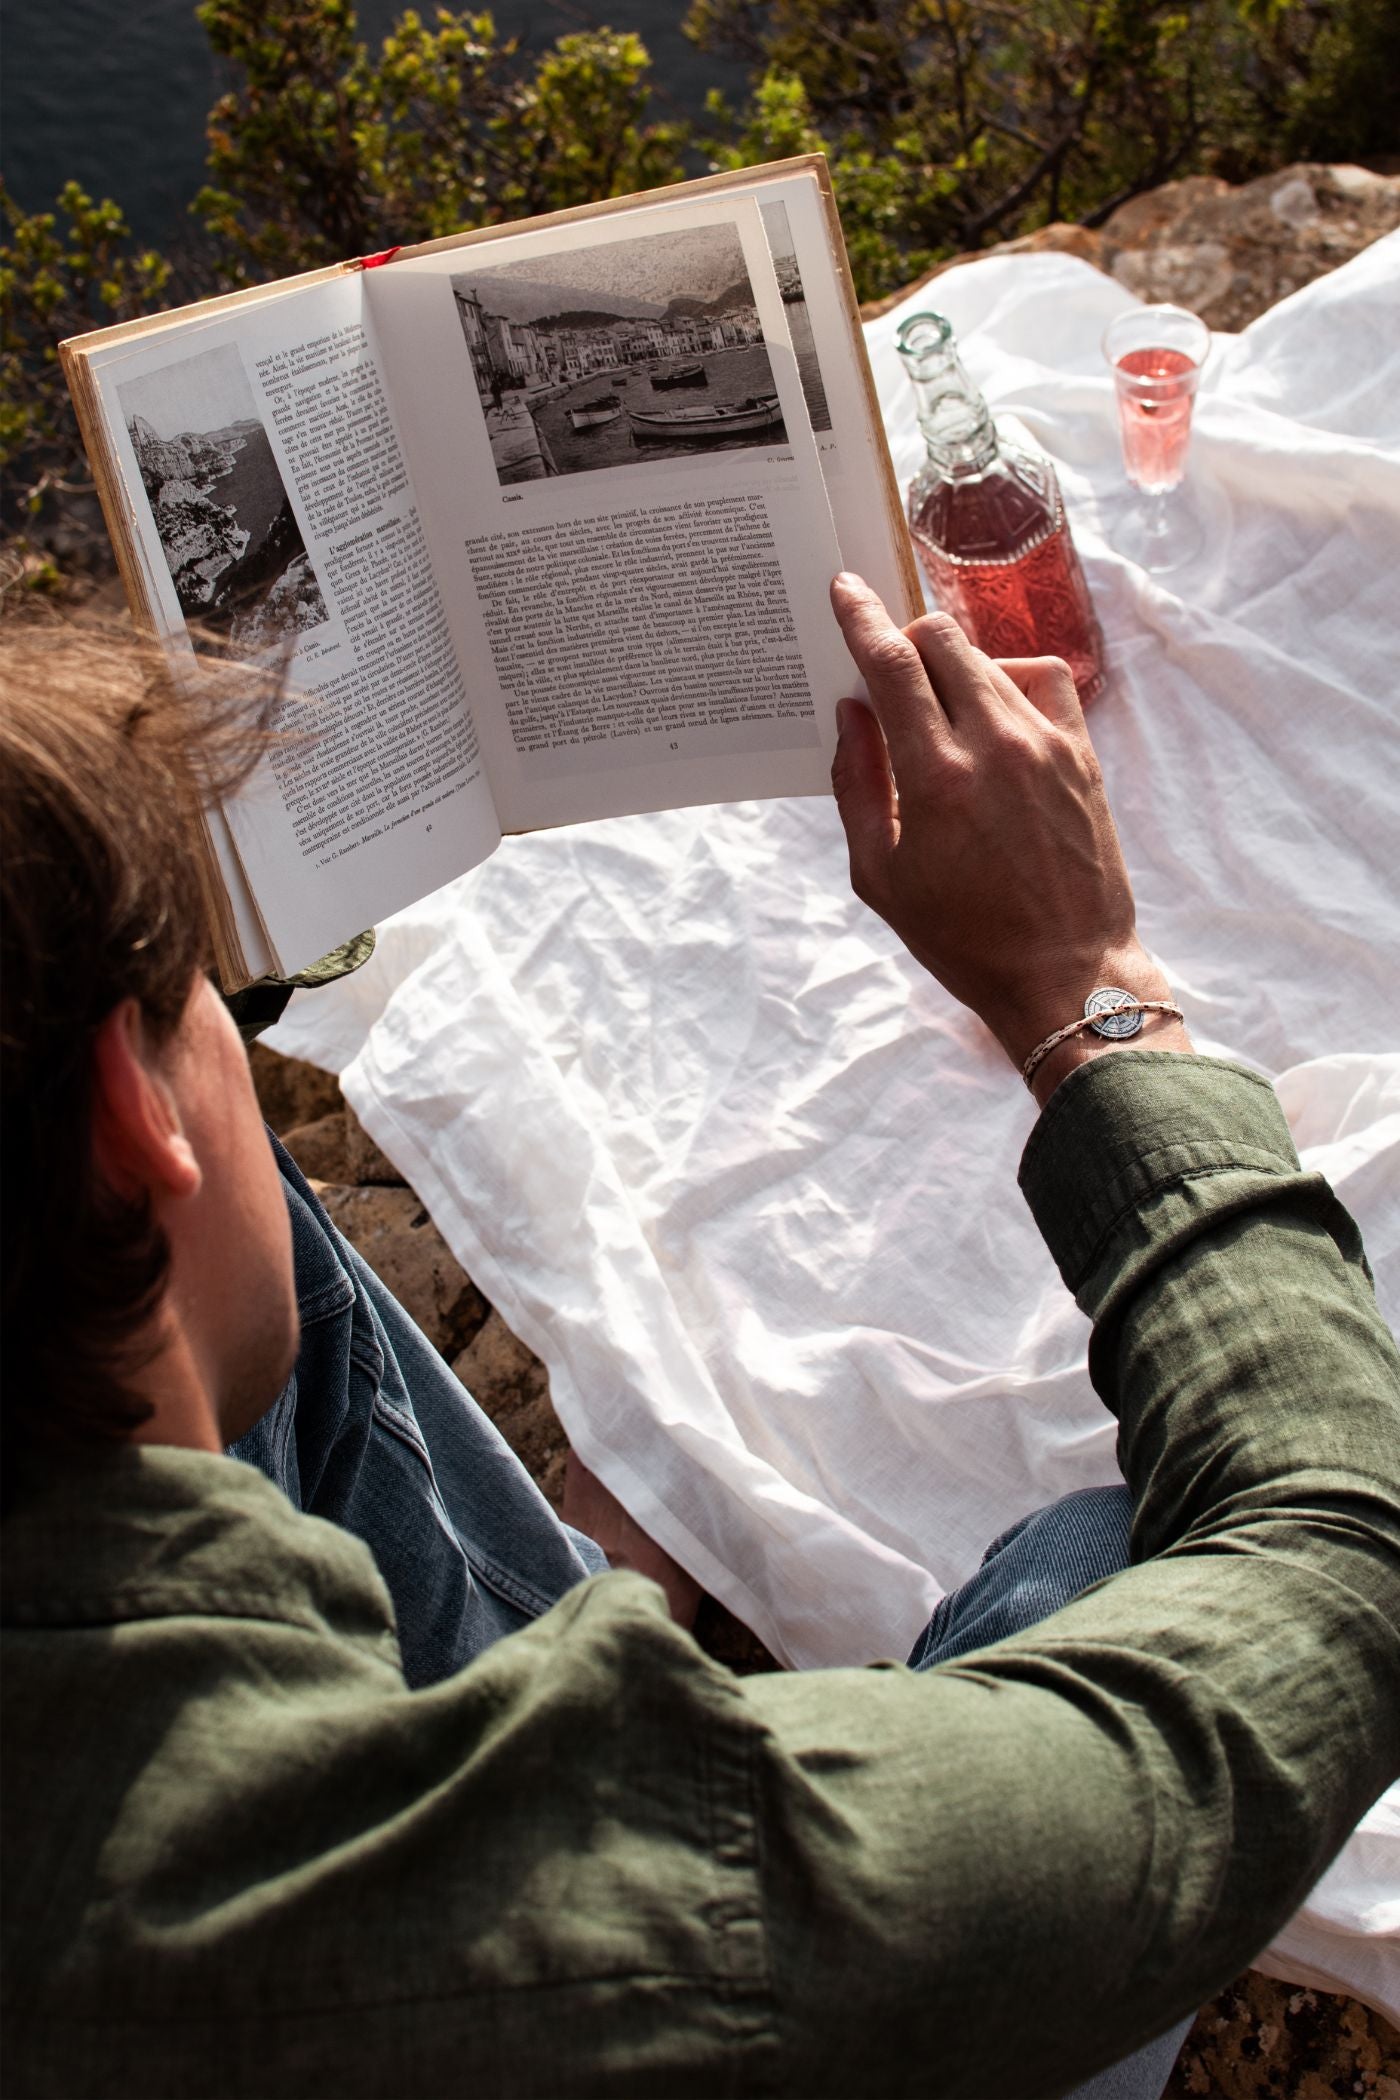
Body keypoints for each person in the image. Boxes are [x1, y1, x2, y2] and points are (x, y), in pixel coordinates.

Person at [2, 584, 1397, 2100]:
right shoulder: (616, 1911)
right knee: (1130, 1539)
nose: (217, 1016)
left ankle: (571, 1607)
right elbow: (1337, 1561)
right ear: (127, 1108)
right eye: (191, 1000)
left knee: (212, 1269)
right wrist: (1091, 991)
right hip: (686, 1957)